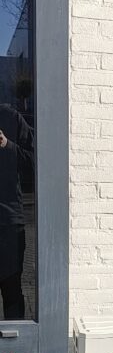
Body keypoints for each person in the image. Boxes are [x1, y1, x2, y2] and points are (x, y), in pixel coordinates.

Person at [0, 103, 34, 320]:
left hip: (8, 221)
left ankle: (14, 343)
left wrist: (7, 145)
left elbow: (35, 162)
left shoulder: (11, 118)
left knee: (11, 289)